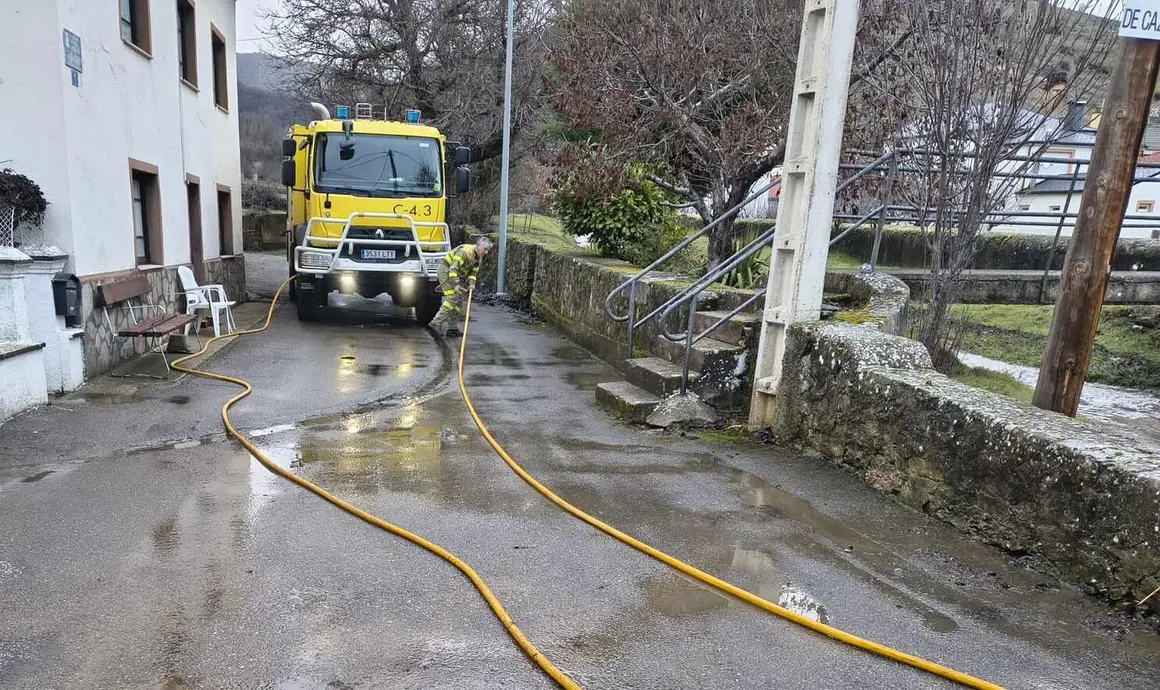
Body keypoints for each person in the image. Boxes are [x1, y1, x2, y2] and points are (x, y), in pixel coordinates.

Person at [429, 235, 493, 337]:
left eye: (488, 250)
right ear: (478, 245)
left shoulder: (479, 257)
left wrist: (472, 284)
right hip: (446, 270)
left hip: (454, 274)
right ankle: (436, 323)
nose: (486, 252)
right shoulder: (465, 252)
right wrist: (455, 284)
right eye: (485, 249)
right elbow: (453, 269)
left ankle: (452, 328)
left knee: (458, 300)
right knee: (453, 297)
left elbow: (473, 273)